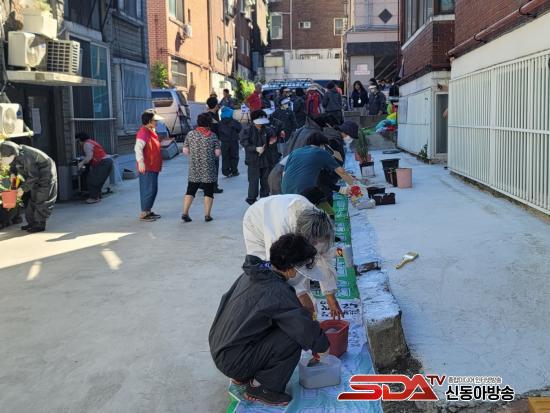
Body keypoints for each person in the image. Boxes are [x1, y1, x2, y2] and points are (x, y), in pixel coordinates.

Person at [209, 234, 329, 406]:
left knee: (286, 324)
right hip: (233, 361)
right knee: (294, 336)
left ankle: (244, 374)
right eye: (303, 271)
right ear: (291, 270)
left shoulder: (257, 272)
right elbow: (302, 328)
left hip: (223, 348)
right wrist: (322, 346)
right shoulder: (276, 291)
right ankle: (263, 387)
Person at [243, 193, 342, 316]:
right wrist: (301, 294)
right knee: (267, 274)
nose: (316, 245)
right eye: (312, 244)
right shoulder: (281, 231)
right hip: (256, 220)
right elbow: (280, 265)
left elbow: (323, 256)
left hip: (281, 209)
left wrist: (329, 294)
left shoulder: (320, 224)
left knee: (299, 268)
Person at [0, 141, 57, 233]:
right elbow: (13, 169)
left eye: (3, 158)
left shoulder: (26, 156)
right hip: (35, 173)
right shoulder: (15, 155)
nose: (2, 161)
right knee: (34, 196)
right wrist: (12, 176)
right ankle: (32, 222)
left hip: (46, 170)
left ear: (10, 154)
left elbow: (33, 176)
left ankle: (39, 224)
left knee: (42, 197)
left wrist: (22, 188)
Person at [282, 133, 355, 196]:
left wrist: (340, 188)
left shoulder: (295, 152)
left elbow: (284, 173)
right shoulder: (320, 152)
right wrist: (352, 184)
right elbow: (341, 171)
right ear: (322, 145)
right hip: (303, 191)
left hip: (285, 190)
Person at [181, 113, 221, 223]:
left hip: (194, 167)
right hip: (208, 168)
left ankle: (185, 213)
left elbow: (185, 151)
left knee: (191, 190)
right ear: (209, 123)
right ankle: (207, 215)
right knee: (208, 191)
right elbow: (217, 153)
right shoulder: (212, 135)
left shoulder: (190, 134)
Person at [240, 110, 279, 205]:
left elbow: (273, 137)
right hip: (253, 160)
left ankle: (264, 199)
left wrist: (272, 141)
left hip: (266, 160)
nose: (261, 123)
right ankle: (251, 199)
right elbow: (244, 143)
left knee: (265, 181)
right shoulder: (247, 130)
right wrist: (255, 148)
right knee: (253, 181)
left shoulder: (267, 129)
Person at [135, 109, 163, 222]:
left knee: (152, 189)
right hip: (147, 166)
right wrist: (140, 161)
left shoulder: (150, 131)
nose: (157, 122)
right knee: (148, 189)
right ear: (149, 121)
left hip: (153, 165)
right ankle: (144, 212)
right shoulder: (143, 132)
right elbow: (138, 148)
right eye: (155, 120)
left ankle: (147, 211)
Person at [76, 132, 114, 204]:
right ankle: (97, 196)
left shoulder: (86, 144)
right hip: (107, 162)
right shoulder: (91, 142)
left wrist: (81, 163)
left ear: (80, 139)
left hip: (103, 163)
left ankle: (94, 198)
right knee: (98, 181)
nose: (78, 143)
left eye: (78, 141)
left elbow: (89, 157)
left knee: (91, 180)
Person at [206, 97, 223, 194]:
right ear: (216, 105)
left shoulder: (206, 115)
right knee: (214, 165)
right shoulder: (213, 117)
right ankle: (213, 186)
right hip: (213, 144)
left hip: (206, 143)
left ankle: (204, 184)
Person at [218, 106, 242, 177]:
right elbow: (239, 128)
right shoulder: (234, 122)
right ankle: (234, 171)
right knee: (234, 156)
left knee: (225, 157)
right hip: (233, 141)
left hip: (224, 142)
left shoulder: (220, 123)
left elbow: (218, 132)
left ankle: (226, 172)